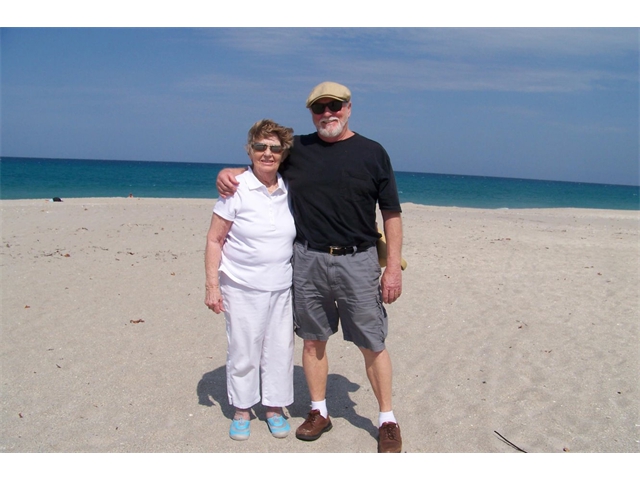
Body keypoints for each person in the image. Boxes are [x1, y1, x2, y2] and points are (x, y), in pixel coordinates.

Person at [216, 82, 404, 453]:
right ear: (312, 113)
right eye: (320, 109)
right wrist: (229, 171)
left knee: (372, 341)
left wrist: (393, 267)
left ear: (349, 108)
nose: (327, 114)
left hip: (358, 260)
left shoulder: (373, 152)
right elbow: (264, 162)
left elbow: (392, 213)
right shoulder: (299, 149)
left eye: (335, 106)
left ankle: (387, 418)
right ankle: (319, 411)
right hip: (307, 259)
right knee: (313, 339)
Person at [205, 119, 296, 441]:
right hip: (241, 285)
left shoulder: (291, 186)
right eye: (260, 147)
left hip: (282, 286)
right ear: (250, 149)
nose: (267, 153)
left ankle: (274, 407)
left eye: (274, 148)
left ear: (284, 153)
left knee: (279, 351)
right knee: (244, 349)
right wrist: (212, 286)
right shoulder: (236, 188)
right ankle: (242, 409)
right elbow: (215, 239)